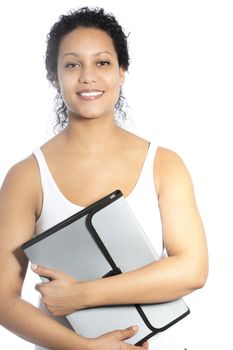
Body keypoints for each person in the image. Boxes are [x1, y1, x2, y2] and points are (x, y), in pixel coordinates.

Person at [0, 6, 208, 350]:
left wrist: (81, 295)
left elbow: (192, 270)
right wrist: (89, 348)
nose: (88, 76)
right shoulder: (26, 177)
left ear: (122, 71)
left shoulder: (164, 164)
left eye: (102, 62)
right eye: (71, 64)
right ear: (54, 76)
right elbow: (3, 300)